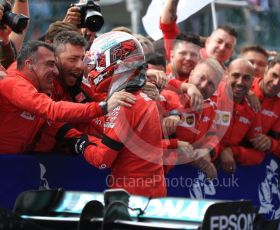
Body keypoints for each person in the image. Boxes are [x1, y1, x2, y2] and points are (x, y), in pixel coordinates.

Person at [72, 31, 166, 198]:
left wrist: (78, 139)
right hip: (152, 193)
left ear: (112, 63)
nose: (91, 68)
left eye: (95, 62)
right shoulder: (141, 97)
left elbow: (102, 160)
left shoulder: (125, 103)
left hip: (130, 199)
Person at [0, 40, 135, 153]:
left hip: (18, 165)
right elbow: (53, 110)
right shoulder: (14, 84)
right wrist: (103, 107)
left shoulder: (42, 91)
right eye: (50, 64)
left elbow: (57, 126)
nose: (56, 71)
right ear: (29, 65)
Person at [161, 58, 224, 178]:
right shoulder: (167, 95)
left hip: (182, 181)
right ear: (191, 73)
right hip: (154, 174)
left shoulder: (211, 107)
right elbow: (144, 142)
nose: (204, 85)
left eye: (211, 84)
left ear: (216, 89)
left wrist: (208, 152)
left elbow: (213, 138)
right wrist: (175, 146)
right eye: (201, 77)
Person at [215, 58, 264, 173]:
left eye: (246, 78)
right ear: (226, 74)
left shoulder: (253, 108)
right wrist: (221, 151)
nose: (240, 82)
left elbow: (258, 154)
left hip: (226, 175)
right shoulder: (212, 96)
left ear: (253, 81)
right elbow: (194, 137)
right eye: (235, 75)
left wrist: (233, 152)